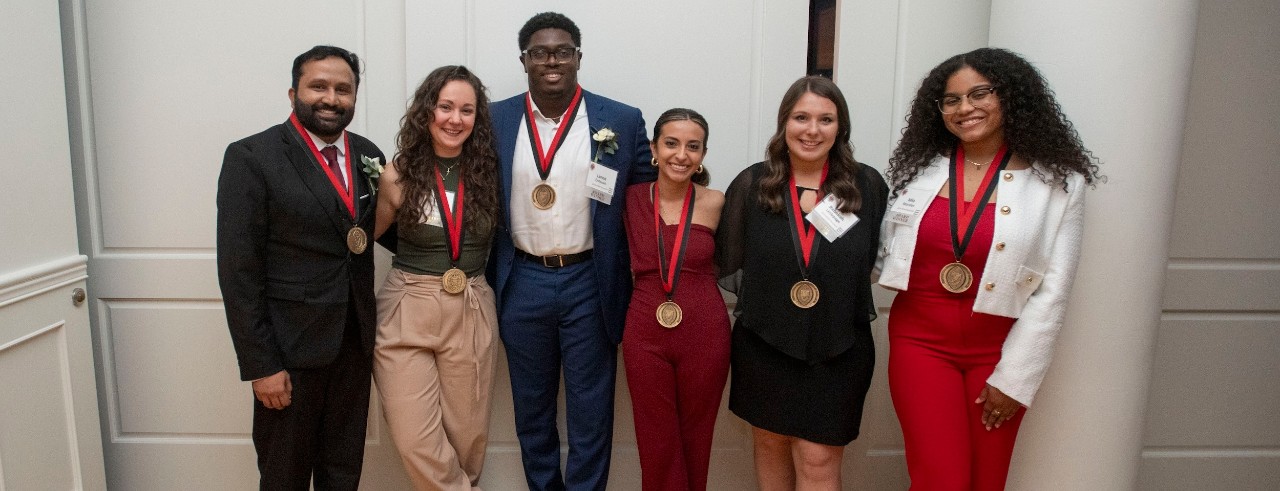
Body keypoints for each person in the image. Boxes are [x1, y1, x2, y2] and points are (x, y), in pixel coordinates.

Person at [877, 47, 1102, 490]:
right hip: (920, 342)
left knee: (986, 480)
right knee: (941, 478)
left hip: (999, 351)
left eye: (980, 94)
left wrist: (1015, 378)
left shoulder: (1058, 182)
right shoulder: (919, 171)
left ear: (1011, 97)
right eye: (952, 99)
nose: (965, 108)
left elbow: (1053, 291)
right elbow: (884, 250)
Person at [486, 11, 656, 491]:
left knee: (591, 411)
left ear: (578, 57)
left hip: (591, 280)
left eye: (563, 51)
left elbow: (645, 198)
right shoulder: (494, 118)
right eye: (540, 53)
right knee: (531, 409)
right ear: (524, 61)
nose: (552, 61)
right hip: (522, 280)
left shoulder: (620, 119)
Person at [216, 45, 384, 490]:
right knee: (284, 476)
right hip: (288, 355)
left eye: (343, 89)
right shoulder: (252, 157)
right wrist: (260, 365)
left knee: (343, 471)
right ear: (293, 93)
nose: (331, 98)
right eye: (319, 87)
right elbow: (239, 272)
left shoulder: (368, 154)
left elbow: (385, 233)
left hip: (353, 343)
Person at [716, 76, 888, 490]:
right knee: (770, 447)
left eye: (825, 119)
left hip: (839, 347)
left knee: (818, 459)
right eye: (801, 117)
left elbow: (871, 260)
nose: (812, 130)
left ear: (840, 127)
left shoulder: (867, 186)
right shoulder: (752, 184)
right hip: (765, 344)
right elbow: (730, 262)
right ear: (784, 123)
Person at [371, 65, 500, 491]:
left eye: (466, 110)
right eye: (445, 107)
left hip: (472, 305)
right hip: (408, 305)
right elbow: (366, 238)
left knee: (467, 438)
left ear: (477, 119)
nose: (454, 119)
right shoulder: (396, 175)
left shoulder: (491, 174)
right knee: (416, 439)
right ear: (427, 111)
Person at [622, 108, 730, 491]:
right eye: (671, 143)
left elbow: (737, 260)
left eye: (692, 146)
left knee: (696, 438)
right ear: (653, 148)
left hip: (705, 331)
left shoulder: (717, 201)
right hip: (645, 330)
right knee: (655, 440)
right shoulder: (631, 198)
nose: (681, 155)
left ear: (702, 155)